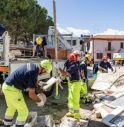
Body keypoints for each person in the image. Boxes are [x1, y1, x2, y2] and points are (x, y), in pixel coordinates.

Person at [2, 60, 52, 127]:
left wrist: (37, 82)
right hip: (13, 90)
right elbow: (31, 95)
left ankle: (6, 125)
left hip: (6, 86)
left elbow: (27, 75)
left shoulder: (32, 66)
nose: (44, 74)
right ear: (43, 69)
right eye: (45, 72)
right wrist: (40, 101)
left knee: (11, 108)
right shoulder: (33, 73)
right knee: (24, 112)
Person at [61, 53, 82, 120]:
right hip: (71, 83)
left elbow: (65, 74)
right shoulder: (74, 62)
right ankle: (72, 112)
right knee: (70, 98)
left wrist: (58, 69)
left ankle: (77, 115)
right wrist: (66, 63)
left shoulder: (73, 66)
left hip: (76, 84)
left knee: (75, 99)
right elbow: (66, 65)